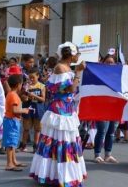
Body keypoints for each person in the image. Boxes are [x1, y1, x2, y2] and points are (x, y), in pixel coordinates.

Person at [30, 42, 87, 186]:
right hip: (60, 110)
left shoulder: (66, 67)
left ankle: (60, 174)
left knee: (66, 141)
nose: (78, 57)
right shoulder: (60, 68)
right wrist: (78, 72)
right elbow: (69, 89)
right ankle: (57, 175)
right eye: (77, 54)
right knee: (59, 141)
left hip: (67, 108)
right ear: (71, 55)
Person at [94, 54, 119, 163]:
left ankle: (108, 154)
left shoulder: (117, 76)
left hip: (114, 107)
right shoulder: (98, 75)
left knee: (111, 131)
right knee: (102, 130)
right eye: (107, 62)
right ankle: (97, 154)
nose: (109, 64)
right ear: (103, 63)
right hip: (101, 107)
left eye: (111, 62)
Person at [3, 74, 29, 171]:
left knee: (13, 142)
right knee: (10, 143)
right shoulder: (13, 95)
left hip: (12, 121)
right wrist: (24, 110)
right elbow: (15, 110)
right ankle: (9, 164)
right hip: (11, 121)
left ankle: (14, 161)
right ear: (18, 84)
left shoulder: (12, 94)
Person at [19, 67, 46, 153]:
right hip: (28, 107)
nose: (31, 79)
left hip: (38, 109)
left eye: (33, 77)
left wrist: (34, 95)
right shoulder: (26, 85)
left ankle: (36, 145)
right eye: (29, 77)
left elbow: (43, 99)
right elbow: (21, 96)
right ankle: (23, 145)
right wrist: (25, 95)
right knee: (26, 128)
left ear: (38, 76)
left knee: (37, 129)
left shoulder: (41, 86)